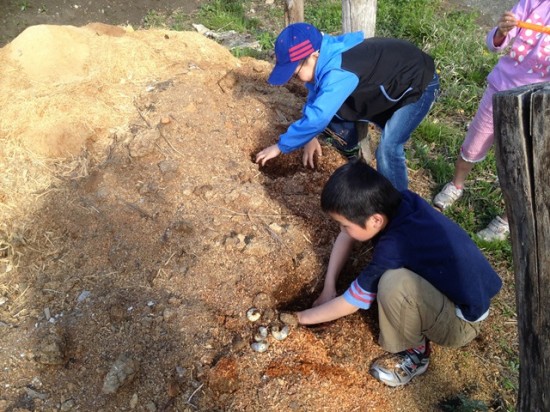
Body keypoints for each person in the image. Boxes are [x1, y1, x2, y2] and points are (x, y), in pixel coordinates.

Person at [291, 159, 502, 387]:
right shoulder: (401, 202)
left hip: (461, 323)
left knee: (394, 283)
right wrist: (329, 286)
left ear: (375, 220)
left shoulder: (394, 246)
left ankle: (415, 353)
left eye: (344, 224)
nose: (341, 230)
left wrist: (300, 318)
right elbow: (348, 236)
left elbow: (352, 301)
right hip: (468, 294)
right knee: (395, 276)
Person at [255, 22, 439, 191]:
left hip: (418, 82)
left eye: (294, 72)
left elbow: (319, 116)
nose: (294, 78)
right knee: (336, 108)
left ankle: (399, 204)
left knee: (389, 146)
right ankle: (351, 150)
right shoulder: (326, 53)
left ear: (313, 55)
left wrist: (280, 146)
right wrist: (309, 137)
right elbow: (316, 95)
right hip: (392, 78)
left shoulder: (339, 71)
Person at [433, 0, 550, 241]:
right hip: (502, 87)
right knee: (475, 142)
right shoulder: (533, 3)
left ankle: (510, 217)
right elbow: (495, 44)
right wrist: (502, 32)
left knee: (523, 161)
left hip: (540, 104)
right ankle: (456, 184)